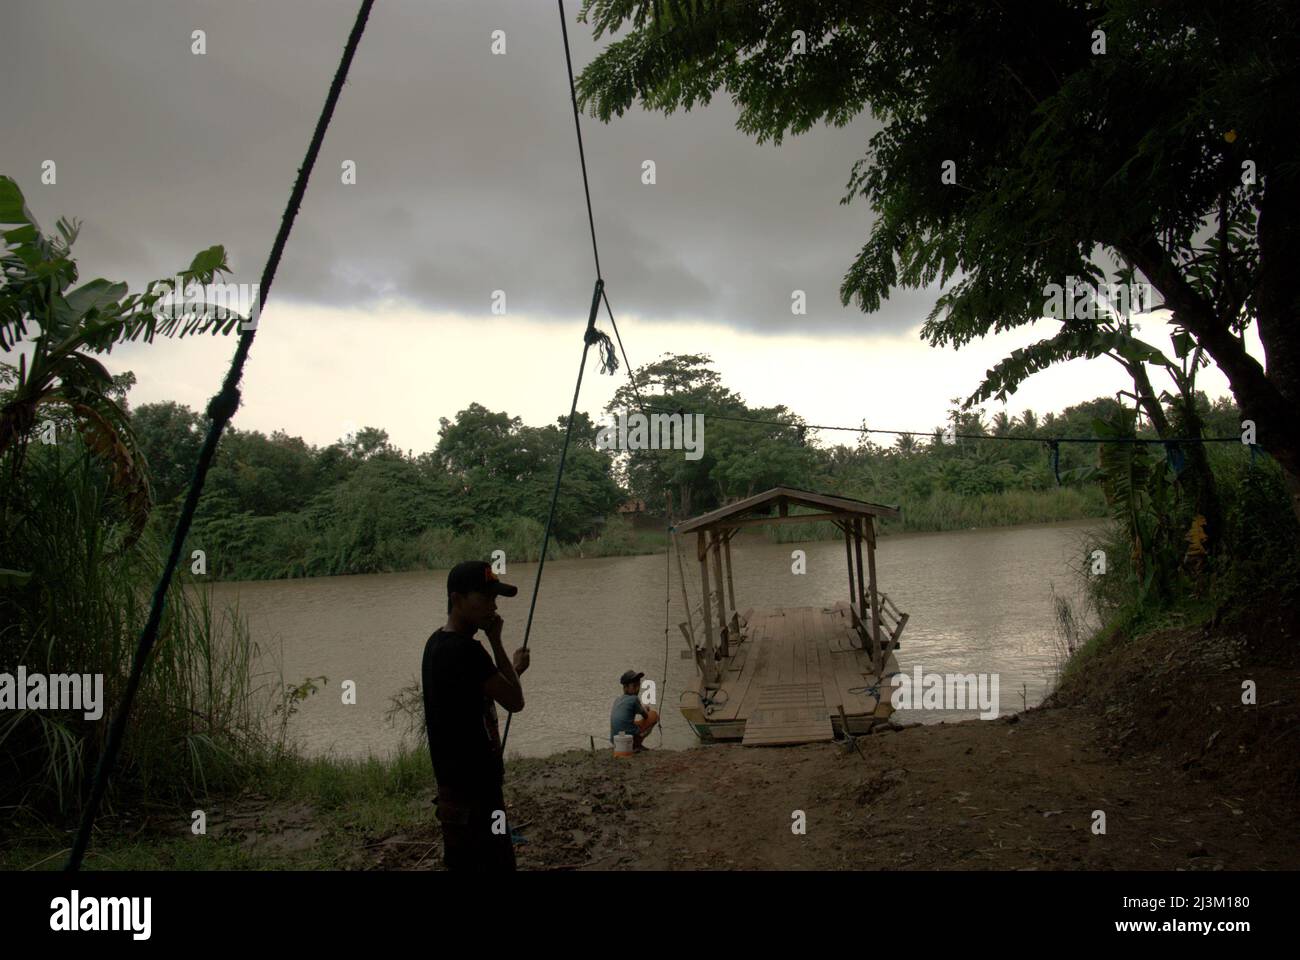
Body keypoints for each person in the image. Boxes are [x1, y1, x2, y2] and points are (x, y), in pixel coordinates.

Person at [422, 560, 529, 871]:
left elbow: (481, 689)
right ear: (457, 600)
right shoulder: (467, 651)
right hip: (476, 797)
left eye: (494, 598)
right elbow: (515, 700)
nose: (493, 606)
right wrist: (496, 641)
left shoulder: (436, 643)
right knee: (497, 863)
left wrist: (513, 669)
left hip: (456, 795)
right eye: (484, 598)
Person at [610, 670, 658, 751]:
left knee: (630, 724)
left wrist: (642, 709)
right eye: (634, 686)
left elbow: (626, 713)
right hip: (627, 739)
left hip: (614, 740)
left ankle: (634, 743)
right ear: (625, 687)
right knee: (654, 715)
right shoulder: (634, 699)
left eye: (638, 685)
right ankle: (637, 744)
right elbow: (645, 716)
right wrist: (646, 709)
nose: (638, 688)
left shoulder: (618, 699)